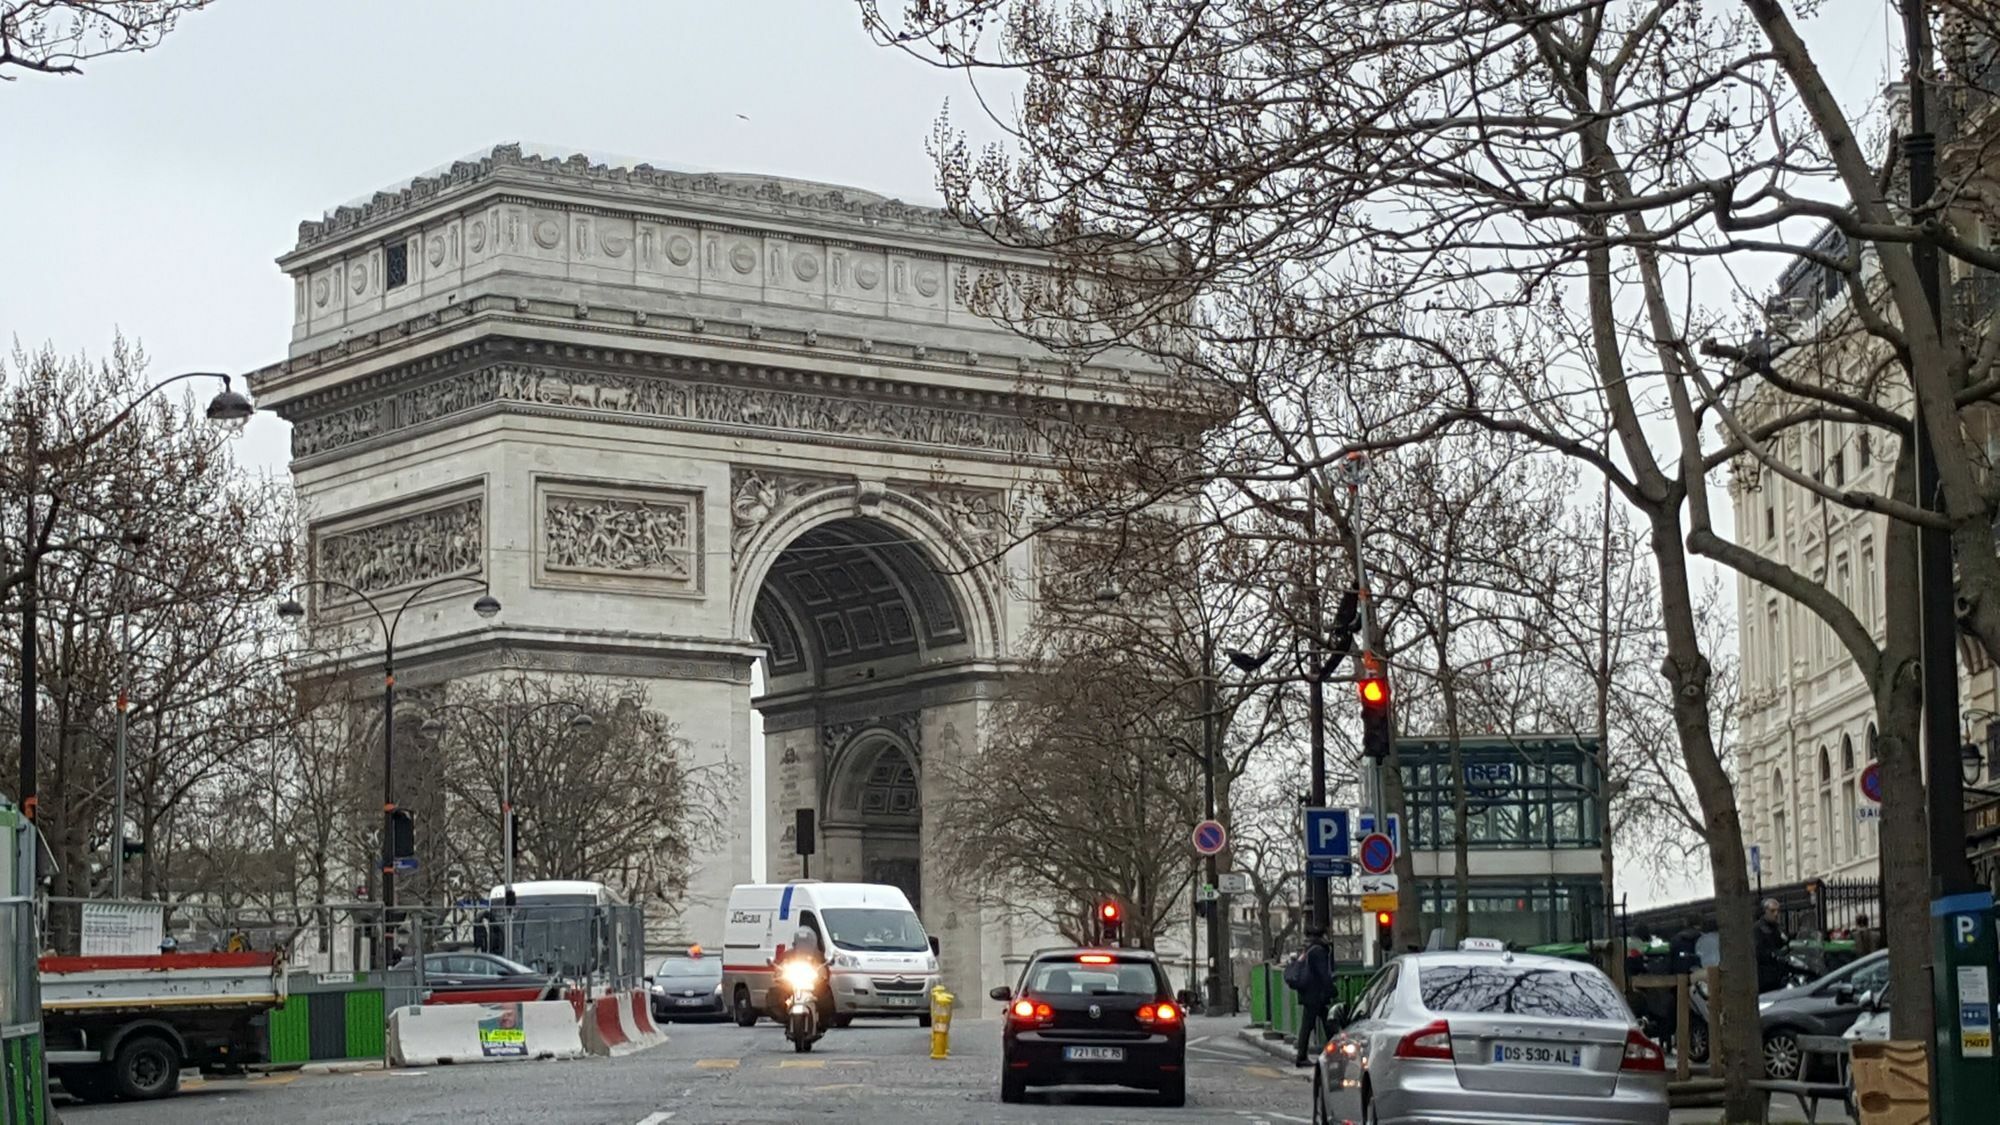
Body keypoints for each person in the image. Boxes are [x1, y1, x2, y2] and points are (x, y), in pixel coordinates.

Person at [1292, 927, 1336, 1068]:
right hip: (1316, 994)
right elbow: (1323, 974)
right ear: (1323, 935)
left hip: (1310, 993)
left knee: (1322, 1022)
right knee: (1323, 1023)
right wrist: (1331, 989)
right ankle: (1303, 1056)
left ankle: (1305, 1055)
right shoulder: (1318, 951)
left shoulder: (1310, 949)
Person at [1754, 898, 1791, 993]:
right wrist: (1774, 955)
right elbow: (1758, 952)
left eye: (1777, 911)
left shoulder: (1777, 927)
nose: (1776, 914)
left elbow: (1784, 941)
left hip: (1778, 973)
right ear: (1765, 911)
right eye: (1772, 911)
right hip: (1766, 977)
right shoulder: (1758, 928)